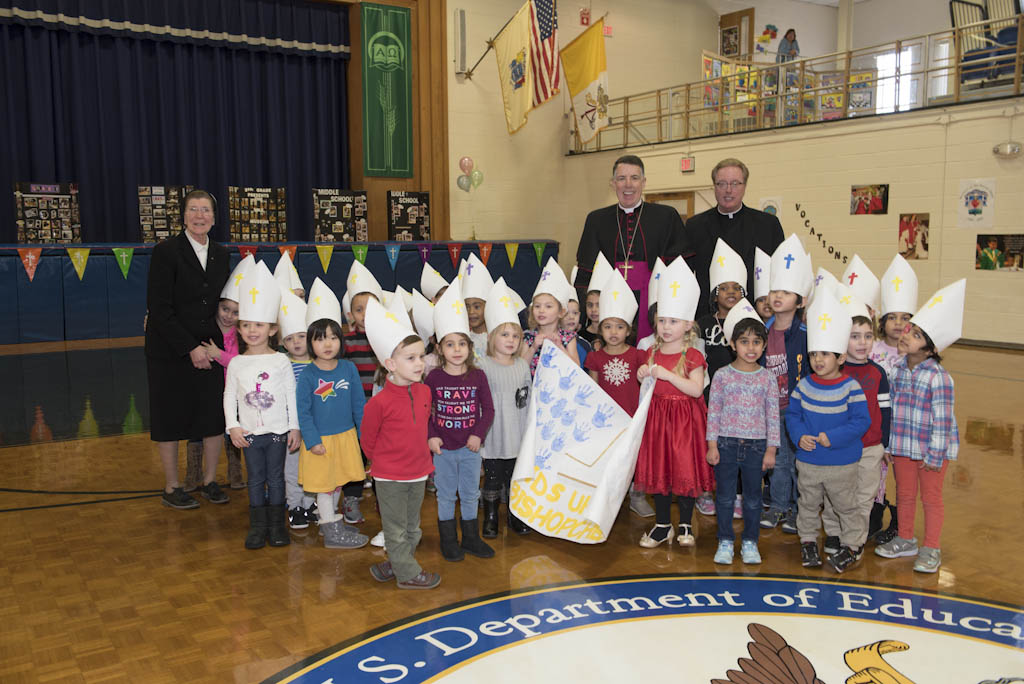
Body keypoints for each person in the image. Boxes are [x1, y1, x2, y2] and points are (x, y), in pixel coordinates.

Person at [145, 189, 231, 510]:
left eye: (205, 210)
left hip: (209, 348)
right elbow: (159, 308)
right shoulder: (166, 252)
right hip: (169, 350)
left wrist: (217, 342)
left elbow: (223, 304)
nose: (199, 216)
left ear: (214, 216)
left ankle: (209, 480)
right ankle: (172, 486)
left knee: (211, 416)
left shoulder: (222, 254)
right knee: (169, 416)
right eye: (193, 209)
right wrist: (189, 347)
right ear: (183, 215)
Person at [876, 280, 964, 574]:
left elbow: (943, 419)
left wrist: (935, 454)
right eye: (908, 331)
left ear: (930, 348)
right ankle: (905, 538)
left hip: (929, 453)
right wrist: (887, 445)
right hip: (902, 446)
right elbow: (892, 410)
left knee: (931, 498)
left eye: (914, 334)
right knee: (904, 494)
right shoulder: (897, 369)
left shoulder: (939, 377)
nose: (905, 334)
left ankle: (931, 547)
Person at [786, 288, 870, 571]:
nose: (818, 360)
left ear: (841, 357)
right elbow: (793, 416)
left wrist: (830, 438)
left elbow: (861, 422)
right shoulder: (804, 386)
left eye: (825, 354)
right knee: (808, 505)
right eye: (813, 355)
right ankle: (808, 541)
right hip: (809, 462)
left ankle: (853, 546)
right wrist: (799, 436)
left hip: (842, 464)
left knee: (846, 507)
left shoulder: (851, 388)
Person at [362, 299, 441, 589]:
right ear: (390, 364)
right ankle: (407, 573)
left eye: (421, 356)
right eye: (410, 358)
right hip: (390, 476)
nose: (419, 363)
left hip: (419, 472)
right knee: (395, 529)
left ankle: (396, 562)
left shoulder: (425, 392)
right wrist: (385, 463)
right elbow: (368, 442)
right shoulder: (378, 403)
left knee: (412, 528)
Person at [635, 257, 713, 548]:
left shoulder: (693, 355)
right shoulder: (651, 350)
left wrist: (666, 373)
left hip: (685, 421)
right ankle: (662, 524)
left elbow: (695, 390)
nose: (666, 327)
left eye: (673, 321)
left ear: (688, 324)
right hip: (658, 420)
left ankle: (685, 524)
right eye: (662, 320)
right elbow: (648, 386)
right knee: (661, 471)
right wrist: (645, 374)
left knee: (684, 469)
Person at [223, 262, 300, 549]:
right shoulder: (236, 363)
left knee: (276, 478)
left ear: (272, 329)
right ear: (239, 329)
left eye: (258, 325)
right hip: (250, 433)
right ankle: (257, 527)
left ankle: (277, 526)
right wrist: (233, 425)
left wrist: (294, 427)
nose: (251, 330)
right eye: (245, 325)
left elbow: (290, 394)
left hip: (278, 431)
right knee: (255, 478)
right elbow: (229, 395)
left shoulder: (281, 360)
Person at [575, 155, 690, 341]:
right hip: (610, 302)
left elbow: (680, 268)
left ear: (643, 182)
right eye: (621, 179)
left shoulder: (666, 216)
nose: (628, 185)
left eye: (634, 178)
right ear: (613, 183)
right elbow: (585, 271)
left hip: (652, 299)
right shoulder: (596, 220)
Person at [705, 301, 779, 565]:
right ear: (733, 344)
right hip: (725, 443)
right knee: (724, 497)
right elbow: (713, 411)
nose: (751, 348)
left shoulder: (767, 377)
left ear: (763, 345)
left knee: (752, 499)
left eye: (757, 342)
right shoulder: (722, 375)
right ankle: (725, 541)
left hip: (757, 447)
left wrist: (771, 449)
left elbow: (772, 414)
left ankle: (750, 542)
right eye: (745, 341)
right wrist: (712, 444)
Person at [426, 282, 496, 562]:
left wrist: (478, 434)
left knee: (469, 493)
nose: (457, 349)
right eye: (450, 344)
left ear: (469, 346)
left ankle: (470, 538)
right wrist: (431, 435)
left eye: (462, 343)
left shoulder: (477, 376)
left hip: (470, 448)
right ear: (440, 348)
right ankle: (448, 540)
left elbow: (488, 409)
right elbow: (425, 410)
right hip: (443, 448)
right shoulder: (433, 378)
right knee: (445, 495)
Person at [821, 306, 891, 569]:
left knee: (863, 498)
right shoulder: (833, 372)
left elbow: (885, 410)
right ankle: (835, 534)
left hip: (870, 448)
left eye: (867, 336)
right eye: (855, 336)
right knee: (833, 494)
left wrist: (885, 442)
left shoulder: (878, 373)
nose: (862, 342)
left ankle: (854, 544)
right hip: (838, 449)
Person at [296, 312, 369, 550]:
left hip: (345, 437)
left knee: (338, 482)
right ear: (311, 344)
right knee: (325, 487)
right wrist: (312, 440)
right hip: (320, 441)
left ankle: (332, 522)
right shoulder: (308, 375)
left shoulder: (348, 368)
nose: (327, 344)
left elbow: (359, 405)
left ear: (341, 340)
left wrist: (363, 435)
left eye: (332, 338)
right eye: (320, 339)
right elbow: (303, 411)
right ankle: (331, 531)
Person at [584, 270, 653, 519]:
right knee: (607, 459)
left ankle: (637, 495)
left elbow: (645, 385)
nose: (614, 332)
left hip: (632, 416)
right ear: (600, 328)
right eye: (608, 326)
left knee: (635, 457)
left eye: (620, 326)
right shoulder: (595, 357)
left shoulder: (637, 355)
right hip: (606, 420)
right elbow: (593, 389)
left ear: (629, 329)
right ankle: (606, 497)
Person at [685, 159, 785, 318]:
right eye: (722, 184)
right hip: (708, 318)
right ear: (714, 187)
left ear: (745, 186)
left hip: (755, 316)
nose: (728, 190)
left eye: (735, 183)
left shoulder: (767, 225)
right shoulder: (694, 226)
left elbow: (781, 274)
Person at [759, 235, 811, 535]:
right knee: (777, 462)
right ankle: (778, 505)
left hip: (796, 410)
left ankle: (796, 509)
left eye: (786, 292)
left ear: (800, 300)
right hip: (772, 409)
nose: (778, 297)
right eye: (774, 291)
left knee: (797, 464)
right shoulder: (762, 332)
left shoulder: (804, 334)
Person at [478, 278, 533, 538]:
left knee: (514, 476)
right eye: (504, 334)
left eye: (516, 336)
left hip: (516, 428)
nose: (511, 340)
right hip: (492, 432)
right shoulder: (483, 366)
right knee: (493, 476)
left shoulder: (522, 366)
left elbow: (526, 399)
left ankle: (514, 514)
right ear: (491, 337)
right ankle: (490, 516)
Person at [870, 255, 919, 542]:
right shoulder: (872, 348)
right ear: (883, 321)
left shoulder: (914, 355)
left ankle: (900, 523)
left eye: (905, 318)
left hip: (905, 428)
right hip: (877, 426)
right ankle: (874, 516)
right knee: (876, 474)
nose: (899, 323)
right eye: (893, 317)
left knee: (904, 479)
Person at [197, 255, 250, 491]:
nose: (228, 315)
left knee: (234, 432)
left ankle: (235, 471)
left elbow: (239, 362)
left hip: (236, 393)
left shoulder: (241, 335)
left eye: (235, 312)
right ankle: (196, 474)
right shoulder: (207, 328)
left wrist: (218, 354)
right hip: (211, 389)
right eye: (225, 308)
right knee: (208, 429)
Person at [275, 290, 316, 529]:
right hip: (292, 427)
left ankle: (310, 504)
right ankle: (295, 507)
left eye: (301, 336)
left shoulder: (317, 364)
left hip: (315, 427)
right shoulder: (282, 364)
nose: (296, 343)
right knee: (292, 468)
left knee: (313, 467)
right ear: (282, 342)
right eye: (290, 338)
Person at [522, 257, 580, 374]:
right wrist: (533, 347)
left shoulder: (568, 338)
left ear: (561, 312)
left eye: (548, 306)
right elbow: (519, 369)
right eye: (537, 306)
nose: (541, 310)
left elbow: (577, 369)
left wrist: (560, 347)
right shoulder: (528, 337)